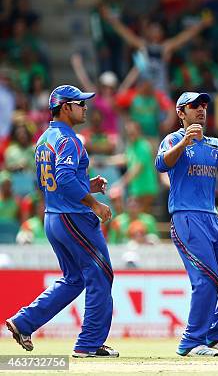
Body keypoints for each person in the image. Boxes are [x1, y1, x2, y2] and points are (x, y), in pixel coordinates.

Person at [5, 85, 118, 358]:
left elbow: (53, 180)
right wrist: (94, 204)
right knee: (100, 275)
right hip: (74, 218)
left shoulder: (45, 139)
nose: (85, 107)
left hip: (54, 217)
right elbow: (65, 179)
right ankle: (89, 344)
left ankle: (23, 323)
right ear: (65, 107)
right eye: (80, 103)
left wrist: (88, 185)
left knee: (74, 279)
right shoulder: (69, 139)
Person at [155, 92, 218, 357]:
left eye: (204, 106)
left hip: (212, 217)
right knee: (207, 279)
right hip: (186, 217)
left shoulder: (215, 144)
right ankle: (191, 341)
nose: (201, 110)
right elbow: (162, 164)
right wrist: (184, 141)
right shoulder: (173, 139)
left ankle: (216, 332)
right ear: (181, 113)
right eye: (194, 106)